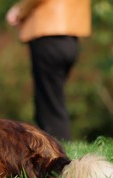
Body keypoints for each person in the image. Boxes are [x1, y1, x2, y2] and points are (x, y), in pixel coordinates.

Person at [6, 0, 91, 140]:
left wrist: (19, 10)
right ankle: (60, 145)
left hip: (48, 36)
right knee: (55, 98)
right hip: (71, 39)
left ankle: (57, 151)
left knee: (48, 104)